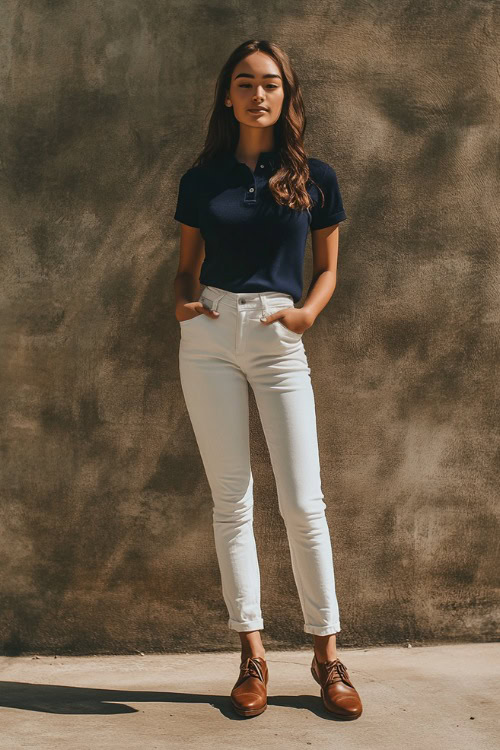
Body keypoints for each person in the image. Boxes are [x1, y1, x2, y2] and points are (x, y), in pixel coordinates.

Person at [173, 39, 363, 720]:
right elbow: (186, 265)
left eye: (271, 83)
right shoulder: (201, 179)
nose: (259, 93)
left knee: (303, 503)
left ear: (287, 95)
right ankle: (252, 655)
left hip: (280, 338)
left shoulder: (318, 177)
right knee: (233, 500)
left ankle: (327, 657)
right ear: (228, 96)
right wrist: (184, 303)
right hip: (211, 337)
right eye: (246, 83)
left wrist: (307, 313)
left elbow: (329, 267)